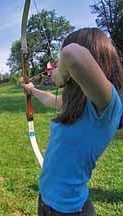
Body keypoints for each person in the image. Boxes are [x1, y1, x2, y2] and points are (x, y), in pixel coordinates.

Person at [22, 28, 123, 216]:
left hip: (68, 211)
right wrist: (32, 90)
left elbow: (72, 54)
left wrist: (59, 76)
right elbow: (50, 100)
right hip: (46, 202)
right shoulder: (81, 105)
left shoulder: (108, 105)